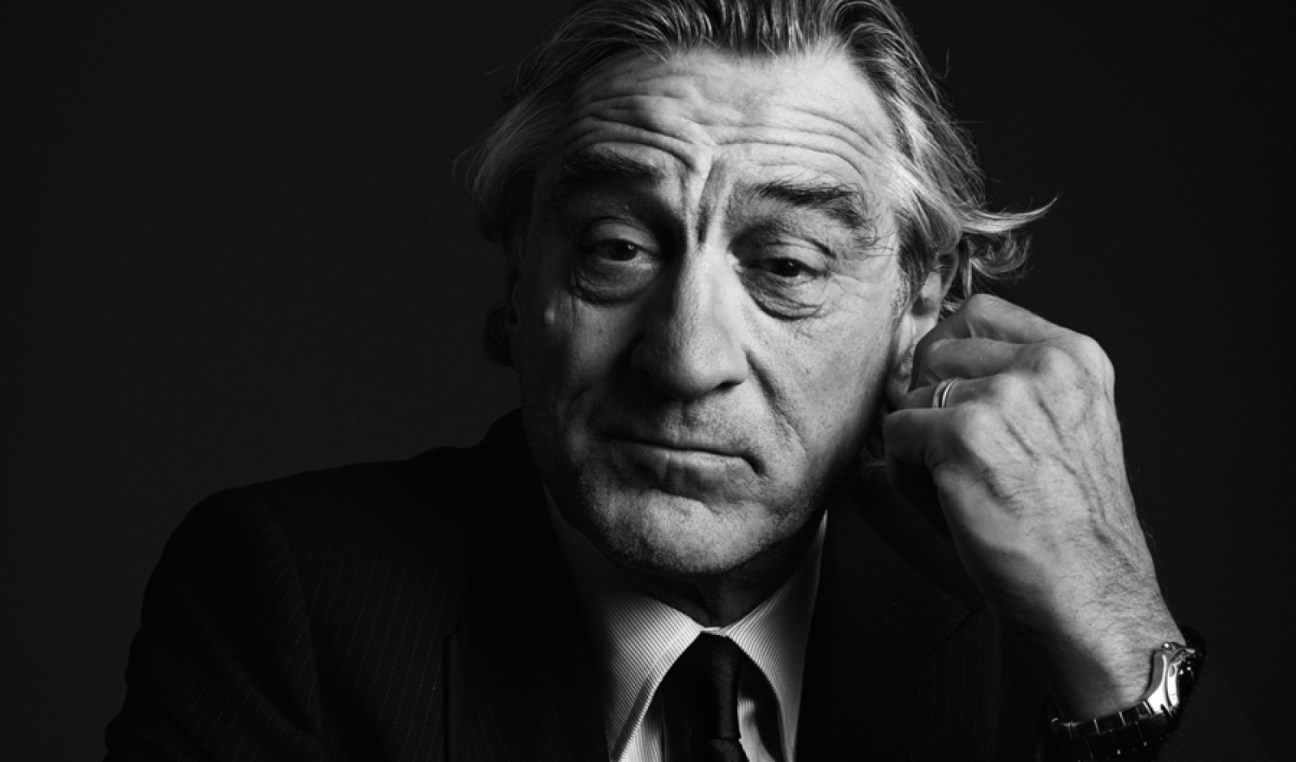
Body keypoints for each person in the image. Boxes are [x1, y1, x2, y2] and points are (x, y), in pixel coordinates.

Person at [104, 1, 1270, 760]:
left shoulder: (1033, 638)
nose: (686, 360)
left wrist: (1118, 637)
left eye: (787, 265)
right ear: (520, 272)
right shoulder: (292, 599)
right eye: (616, 248)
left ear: (923, 304)